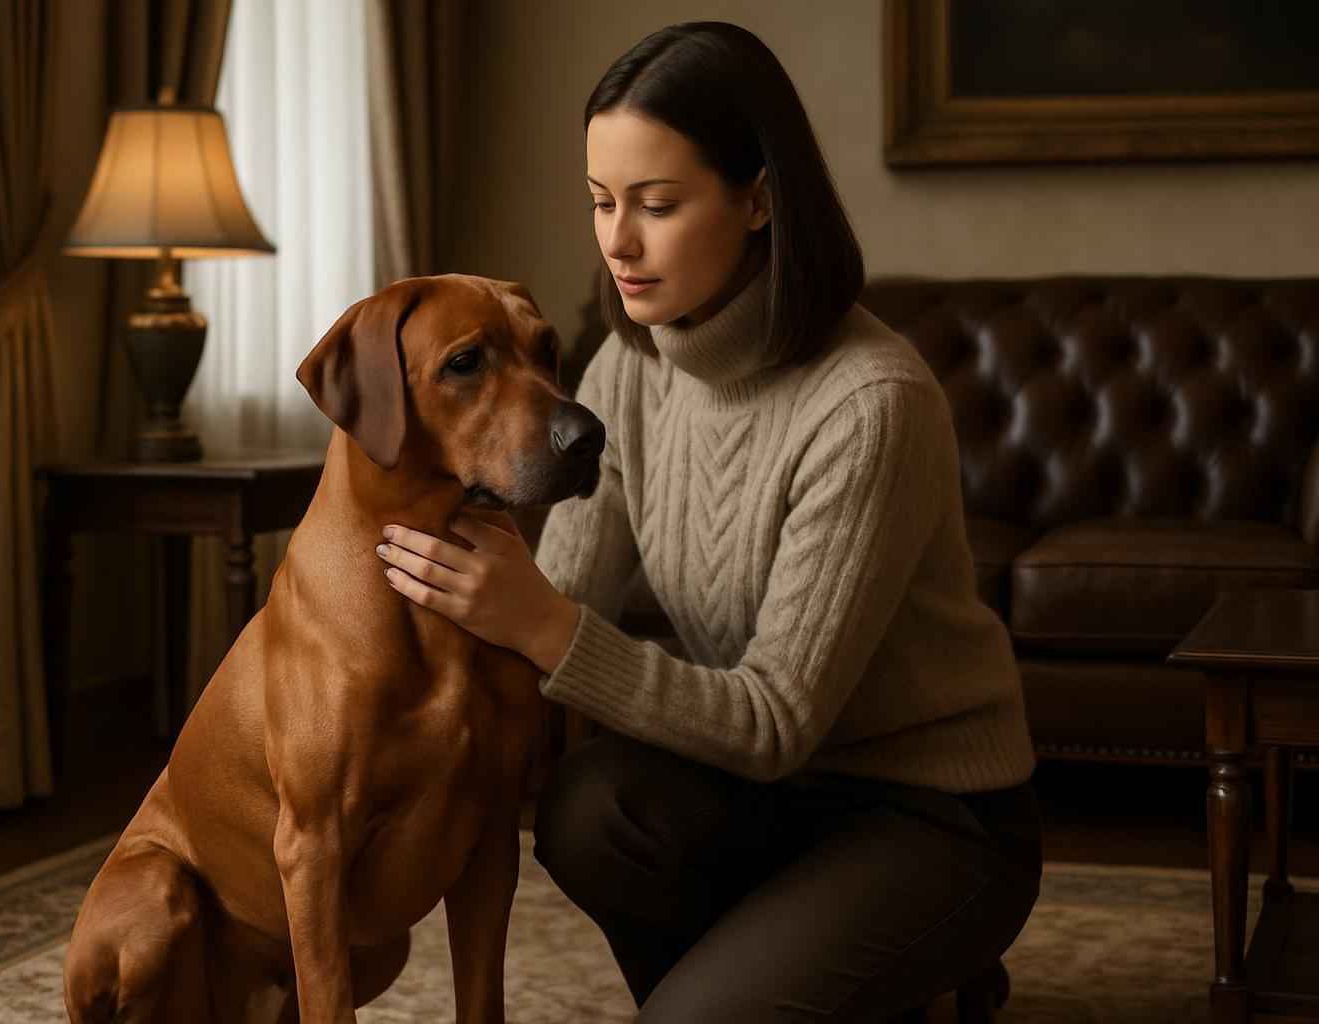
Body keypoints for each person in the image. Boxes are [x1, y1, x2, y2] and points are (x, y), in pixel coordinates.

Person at [372, 20, 1042, 1023]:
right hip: (760, 794)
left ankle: (904, 951)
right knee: (588, 809)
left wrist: (541, 621)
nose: (617, 241)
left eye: (657, 205)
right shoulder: (630, 366)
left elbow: (768, 718)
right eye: (602, 202)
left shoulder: (871, 403)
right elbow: (557, 605)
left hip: (931, 812)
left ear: (760, 198)